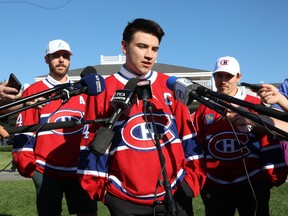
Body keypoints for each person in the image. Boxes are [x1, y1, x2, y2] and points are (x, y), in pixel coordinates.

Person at [77, 18, 206, 216]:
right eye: (142, 46)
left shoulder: (172, 87)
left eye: (154, 49)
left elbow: (189, 137)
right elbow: (90, 144)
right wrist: (104, 192)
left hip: (176, 195)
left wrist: (190, 183)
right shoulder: (104, 90)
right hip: (124, 201)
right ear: (124, 46)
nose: (148, 55)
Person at [193, 56, 287, 216]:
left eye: (228, 76)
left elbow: (274, 133)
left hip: (252, 182)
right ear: (213, 76)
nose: (223, 81)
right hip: (216, 185)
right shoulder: (204, 108)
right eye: (219, 75)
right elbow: (197, 144)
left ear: (239, 77)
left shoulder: (253, 104)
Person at [12, 39, 97, 216]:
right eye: (56, 56)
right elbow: (23, 129)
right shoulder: (35, 91)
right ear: (46, 59)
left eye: (65, 56)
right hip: (46, 170)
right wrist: (28, 165)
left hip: (79, 170)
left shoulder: (81, 90)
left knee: (88, 212)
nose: (61, 60)